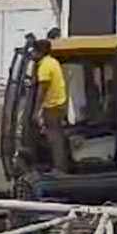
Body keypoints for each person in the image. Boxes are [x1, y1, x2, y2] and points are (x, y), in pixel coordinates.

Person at [33, 39, 71, 173]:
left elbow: (42, 88)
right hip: (59, 104)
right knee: (57, 137)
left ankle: (59, 168)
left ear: (40, 52)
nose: (32, 54)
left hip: (52, 106)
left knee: (54, 138)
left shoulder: (44, 66)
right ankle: (60, 165)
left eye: (34, 51)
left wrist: (36, 111)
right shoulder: (53, 62)